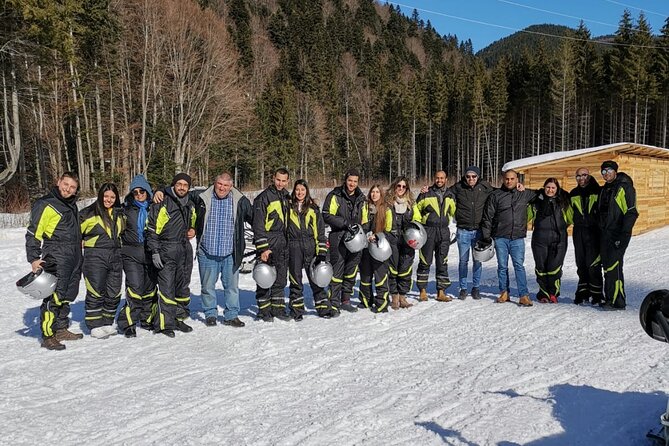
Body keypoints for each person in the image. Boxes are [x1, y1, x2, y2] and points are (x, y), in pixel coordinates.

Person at [25, 172, 84, 350]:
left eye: (72, 187)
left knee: (67, 294)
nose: (68, 189)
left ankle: (60, 328)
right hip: (56, 255)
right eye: (65, 184)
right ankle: (48, 334)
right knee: (55, 295)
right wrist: (34, 258)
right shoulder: (46, 204)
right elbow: (33, 233)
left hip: (74, 256)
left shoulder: (71, 205)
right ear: (58, 182)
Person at [193, 172, 253, 327]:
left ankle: (231, 315)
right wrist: (162, 191)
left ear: (231, 186)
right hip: (207, 252)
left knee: (232, 288)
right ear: (215, 183)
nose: (222, 188)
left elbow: (255, 218)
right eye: (220, 184)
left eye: (226, 185)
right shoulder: (201, 197)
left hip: (230, 253)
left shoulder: (240, 201)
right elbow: (180, 194)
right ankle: (210, 313)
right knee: (207, 286)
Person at [147, 173, 197, 337]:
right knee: (167, 288)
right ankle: (164, 323)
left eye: (185, 185)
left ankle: (178, 318)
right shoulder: (162, 202)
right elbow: (152, 229)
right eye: (179, 184)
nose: (182, 187)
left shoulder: (190, 203)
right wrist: (155, 251)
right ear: (174, 184)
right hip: (166, 248)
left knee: (182, 287)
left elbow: (193, 223)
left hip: (184, 249)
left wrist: (193, 229)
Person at [480, 169, 538, 307]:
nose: (509, 181)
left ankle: (523, 295)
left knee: (519, 266)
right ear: (503, 179)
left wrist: (525, 187)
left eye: (512, 179)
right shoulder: (496, 195)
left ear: (517, 179)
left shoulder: (524, 194)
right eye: (507, 179)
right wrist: (486, 236)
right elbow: (488, 217)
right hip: (501, 237)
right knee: (502, 267)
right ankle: (504, 292)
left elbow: (542, 193)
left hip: (517, 237)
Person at [80, 183, 124, 339]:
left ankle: (107, 322)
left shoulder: (119, 213)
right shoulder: (88, 213)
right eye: (106, 196)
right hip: (95, 257)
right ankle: (94, 325)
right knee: (95, 290)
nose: (109, 200)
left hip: (115, 257)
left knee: (114, 291)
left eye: (112, 197)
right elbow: (74, 234)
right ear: (100, 196)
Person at [322, 169, 369, 316]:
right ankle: (333, 302)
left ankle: (346, 300)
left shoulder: (362, 198)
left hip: (356, 239)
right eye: (350, 181)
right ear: (345, 180)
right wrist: (345, 223)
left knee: (351, 270)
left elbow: (366, 220)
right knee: (337, 270)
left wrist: (361, 229)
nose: (352, 184)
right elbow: (326, 214)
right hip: (339, 236)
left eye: (355, 181)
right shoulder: (335, 195)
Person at [117, 175, 157, 337]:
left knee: (149, 288)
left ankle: (146, 318)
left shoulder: (155, 207)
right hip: (131, 253)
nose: (139, 194)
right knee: (135, 287)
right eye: (135, 192)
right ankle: (128, 323)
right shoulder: (125, 209)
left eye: (142, 191)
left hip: (149, 252)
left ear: (147, 191)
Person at [286, 179, 331, 320]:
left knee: (315, 278)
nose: (300, 192)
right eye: (297, 190)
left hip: (310, 246)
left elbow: (320, 232)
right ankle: (297, 310)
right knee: (295, 279)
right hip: (294, 247)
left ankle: (323, 308)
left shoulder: (313, 209)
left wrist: (322, 251)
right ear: (294, 191)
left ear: (307, 192)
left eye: (303, 190)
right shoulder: (287, 207)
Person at [597, 160, 638, 310]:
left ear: (615, 171)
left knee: (614, 265)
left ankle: (617, 301)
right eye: (603, 172)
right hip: (605, 233)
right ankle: (610, 298)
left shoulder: (625, 188)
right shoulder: (604, 189)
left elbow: (631, 212)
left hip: (618, 234)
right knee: (608, 266)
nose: (606, 174)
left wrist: (623, 235)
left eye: (608, 171)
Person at [252, 168, 291, 322]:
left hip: (283, 242)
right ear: (273, 178)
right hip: (268, 242)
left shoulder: (288, 197)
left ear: (288, 181)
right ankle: (263, 310)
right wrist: (262, 247)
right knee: (265, 277)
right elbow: (258, 224)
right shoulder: (263, 198)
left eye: (283, 181)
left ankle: (278, 308)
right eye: (278, 180)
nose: (280, 183)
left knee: (280, 278)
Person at [450, 166, 494, 300]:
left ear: (478, 176)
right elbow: (443, 193)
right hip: (463, 230)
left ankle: (476, 287)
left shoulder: (485, 187)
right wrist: (427, 190)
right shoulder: (458, 187)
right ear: (465, 177)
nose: (471, 179)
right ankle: (463, 288)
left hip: (479, 232)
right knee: (463, 261)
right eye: (468, 176)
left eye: (474, 176)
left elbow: (500, 193)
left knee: (477, 261)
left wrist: (518, 187)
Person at [528, 178, 573, 304]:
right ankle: (543, 293)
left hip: (558, 240)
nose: (550, 190)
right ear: (544, 187)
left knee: (554, 267)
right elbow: (526, 216)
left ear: (557, 189)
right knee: (541, 267)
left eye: (553, 188)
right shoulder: (537, 202)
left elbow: (571, 218)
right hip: (539, 239)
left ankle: (553, 293)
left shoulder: (563, 202)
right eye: (548, 187)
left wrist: (562, 227)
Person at [415, 170, 456, 302]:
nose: (439, 180)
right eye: (437, 178)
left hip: (443, 231)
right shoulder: (426, 193)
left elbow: (453, 211)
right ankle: (422, 290)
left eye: (442, 178)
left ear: (446, 179)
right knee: (425, 260)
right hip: (428, 230)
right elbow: (416, 209)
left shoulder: (450, 195)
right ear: (434, 178)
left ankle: (441, 291)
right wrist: (418, 226)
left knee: (442, 261)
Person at [569, 168, 603, 305]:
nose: (581, 178)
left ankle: (597, 294)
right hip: (578, 231)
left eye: (584, 175)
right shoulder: (573, 193)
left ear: (589, 176)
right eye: (578, 176)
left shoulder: (598, 191)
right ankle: (583, 292)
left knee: (593, 264)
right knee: (581, 263)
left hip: (594, 231)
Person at [385, 176, 420, 309]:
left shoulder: (411, 203)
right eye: (398, 186)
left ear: (407, 188)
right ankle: (394, 296)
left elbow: (417, 217)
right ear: (394, 186)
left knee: (405, 268)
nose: (401, 188)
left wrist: (414, 226)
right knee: (393, 268)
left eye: (403, 186)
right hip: (392, 238)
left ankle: (402, 296)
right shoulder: (387, 202)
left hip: (407, 239)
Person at [358, 184, 391, 313]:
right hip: (366, 246)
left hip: (380, 247)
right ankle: (365, 300)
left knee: (380, 275)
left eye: (377, 192)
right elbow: (363, 224)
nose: (374, 194)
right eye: (373, 192)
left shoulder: (387, 209)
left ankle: (382, 303)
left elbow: (390, 230)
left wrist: (378, 237)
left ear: (381, 194)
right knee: (365, 275)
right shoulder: (365, 207)